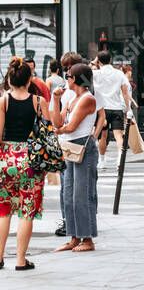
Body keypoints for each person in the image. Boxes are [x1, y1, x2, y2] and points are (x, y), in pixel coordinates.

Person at [0, 57, 50, 270]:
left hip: (7, 158)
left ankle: (0, 257)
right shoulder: (39, 102)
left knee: (3, 210)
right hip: (31, 160)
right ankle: (21, 260)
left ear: (9, 80)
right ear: (30, 80)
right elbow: (48, 135)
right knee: (27, 211)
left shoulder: (3, 101)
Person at [51, 63, 98, 253]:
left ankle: (87, 239)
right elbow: (59, 121)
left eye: (69, 76)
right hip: (70, 148)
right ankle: (73, 237)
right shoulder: (72, 98)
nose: (66, 79)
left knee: (82, 195)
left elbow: (70, 127)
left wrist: (58, 130)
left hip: (83, 148)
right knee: (68, 194)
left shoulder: (88, 99)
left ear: (77, 79)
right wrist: (55, 100)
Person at [93, 49, 132, 170]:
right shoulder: (119, 74)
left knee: (103, 136)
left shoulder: (96, 73)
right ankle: (120, 159)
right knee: (118, 135)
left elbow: (85, 72)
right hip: (116, 108)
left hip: (102, 109)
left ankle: (102, 161)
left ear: (98, 61)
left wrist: (94, 63)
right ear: (110, 60)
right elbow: (125, 92)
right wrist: (128, 108)